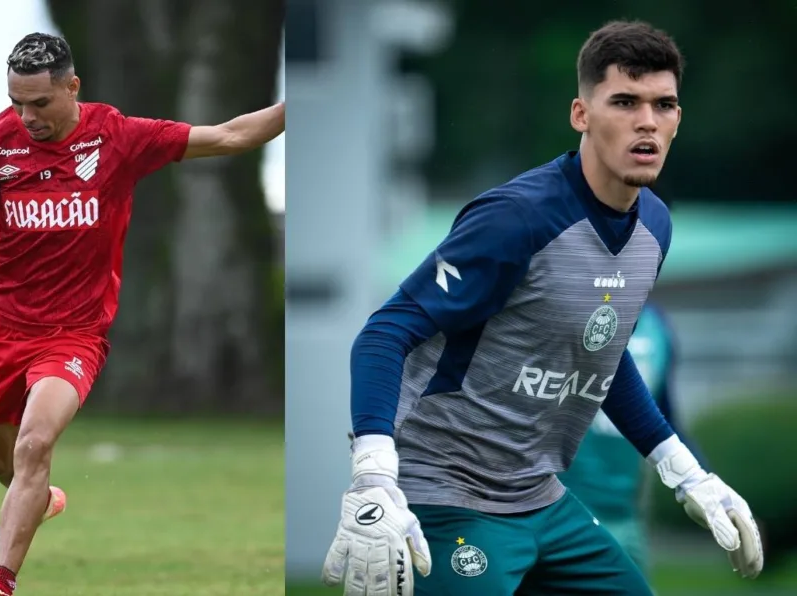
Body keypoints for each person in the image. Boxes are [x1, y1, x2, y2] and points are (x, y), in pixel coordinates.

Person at [321, 20, 762, 596]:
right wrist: (374, 478)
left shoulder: (655, 225)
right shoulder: (517, 217)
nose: (647, 121)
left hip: (542, 497)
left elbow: (599, 354)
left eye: (664, 104)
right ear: (581, 114)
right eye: (624, 102)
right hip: (445, 494)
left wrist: (685, 473)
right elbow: (384, 333)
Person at [0, 33, 285, 596]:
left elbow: (230, 135)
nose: (26, 116)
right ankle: (40, 496)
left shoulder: (116, 136)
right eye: (16, 102)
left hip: (75, 335)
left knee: (34, 444)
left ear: (72, 87)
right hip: (4, 328)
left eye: (39, 103)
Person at [558, 299, 708, 574]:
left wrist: (709, 489)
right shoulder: (566, 308)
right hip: (561, 510)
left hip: (625, 516)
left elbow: (664, 420)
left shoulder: (657, 325)